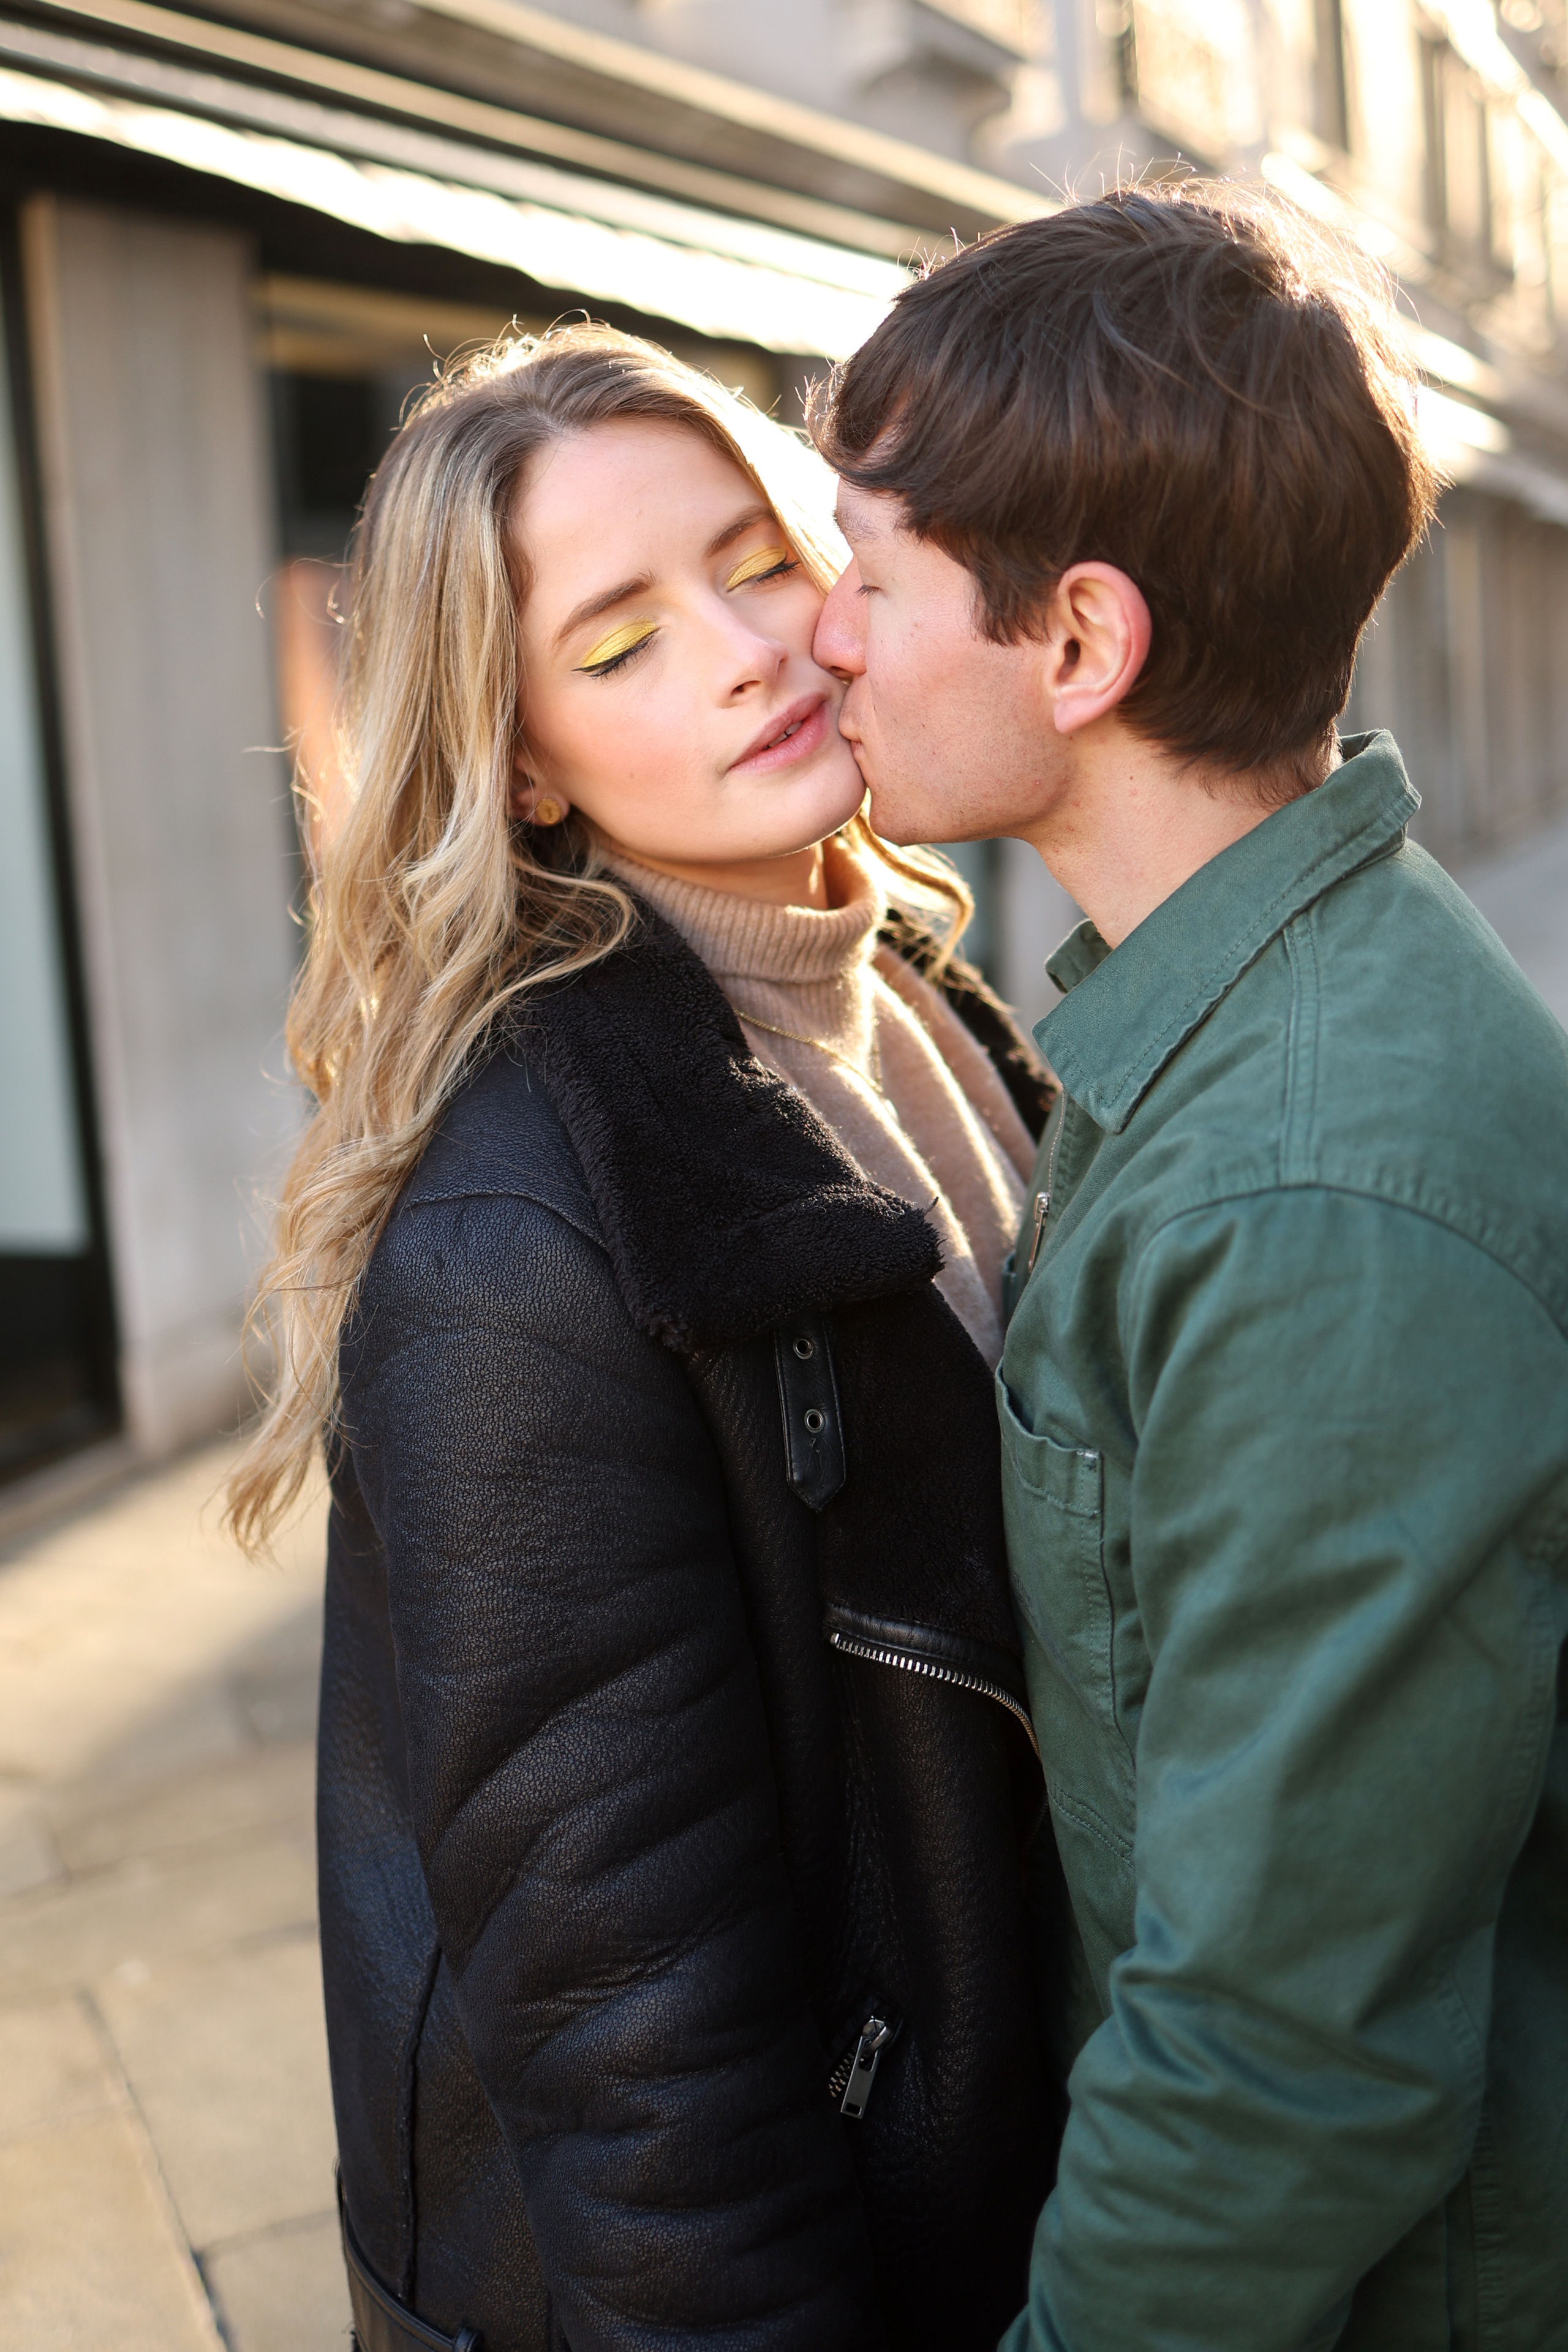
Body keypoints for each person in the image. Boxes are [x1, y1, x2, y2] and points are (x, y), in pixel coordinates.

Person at [227, 323, 1066, 2352]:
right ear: (516, 757)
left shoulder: (917, 989)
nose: (743, 650)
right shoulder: (522, 1235)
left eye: (756, 561)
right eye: (615, 645)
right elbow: (633, 2039)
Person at [808, 186, 1568, 2351]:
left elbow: (1284, 2062)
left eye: (870, 580)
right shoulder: (1234, 1023)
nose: (825, 640)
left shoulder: (1310, 1198)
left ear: (1079, 645)